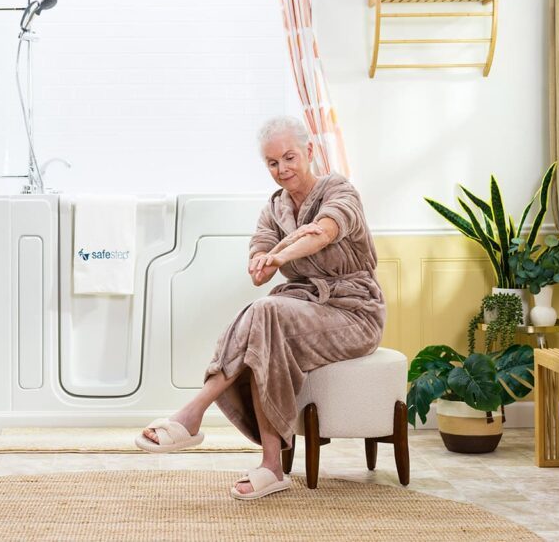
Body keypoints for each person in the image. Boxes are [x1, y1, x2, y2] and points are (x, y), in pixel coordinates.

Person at [135, 116, 385, 500]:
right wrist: (259, 259)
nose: (282, 170)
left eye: (289, 158)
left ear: (309, 152)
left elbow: (323, 232)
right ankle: (270, 467)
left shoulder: (339, 190)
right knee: (263, 318)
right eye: (272, 163)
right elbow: (258, 265)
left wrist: (278, 253)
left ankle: (194, 414)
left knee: (265, 313)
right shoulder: (274, 209)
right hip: (304, 307)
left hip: (354, 312)